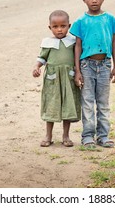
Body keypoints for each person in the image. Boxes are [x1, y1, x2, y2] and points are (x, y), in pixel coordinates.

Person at [70, 0, 115, 148]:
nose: (94, 0)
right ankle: (88, 136)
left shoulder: (110, 19)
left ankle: (103, 136)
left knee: (103, 103)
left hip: (105, 65)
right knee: (88, 102)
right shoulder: (80, 22)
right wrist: (77, 70)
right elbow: (77, 46)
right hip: (86, 66)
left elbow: (113, 42)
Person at [33, 10, 81, 147]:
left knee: (67, 105)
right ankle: (48, 136)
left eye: (63, 26)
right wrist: (37, 67)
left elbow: (77, 58)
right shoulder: (48, 43)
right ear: (50, 28)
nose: (59, 29)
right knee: (51, 106)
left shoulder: (72, 42)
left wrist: (79, 73)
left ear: (69, 26)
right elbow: (42, 58)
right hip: (52, 81)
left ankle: (66, 136)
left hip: (68, 79)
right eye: (55, 27)